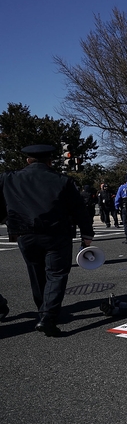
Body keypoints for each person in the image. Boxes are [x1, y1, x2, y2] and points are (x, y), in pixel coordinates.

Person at [0, 144, 95, 336]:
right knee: (57, 274)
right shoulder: (62, 180)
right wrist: (86, 233)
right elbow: (78, 209)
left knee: (35, 271)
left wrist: (8, 219)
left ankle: (41, 308)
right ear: (50, 161)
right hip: (56, 232)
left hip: (24, 231)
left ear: (28, 160)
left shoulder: (8, 178)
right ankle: (48, 315)